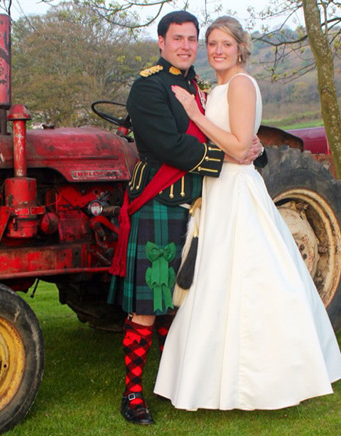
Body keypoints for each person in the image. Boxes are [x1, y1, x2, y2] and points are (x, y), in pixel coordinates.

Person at [154, 15, 341, 411]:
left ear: (241, 48)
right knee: (214, 283)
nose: (218, 50)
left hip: (236, 188)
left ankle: (268, 379)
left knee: (248, 280)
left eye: (226, 43)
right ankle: (211, 381)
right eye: (212, 44)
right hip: (216, 187)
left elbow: (241, 149)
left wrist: (195, 114)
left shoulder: (240, 85)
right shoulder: (218, 88)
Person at [107, 11, 265, 425]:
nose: (186, 45)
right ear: (161, 42)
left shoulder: (197, 84)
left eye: (192, 38)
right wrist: (231, 156)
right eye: (177, 38)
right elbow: (170, 146)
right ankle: (134, 395)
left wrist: (248, 145)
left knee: (187, 301)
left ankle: (180, 380)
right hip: (160, 203)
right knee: (150, 301)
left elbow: (224, 126)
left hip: (202, 207)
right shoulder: (148, 86)